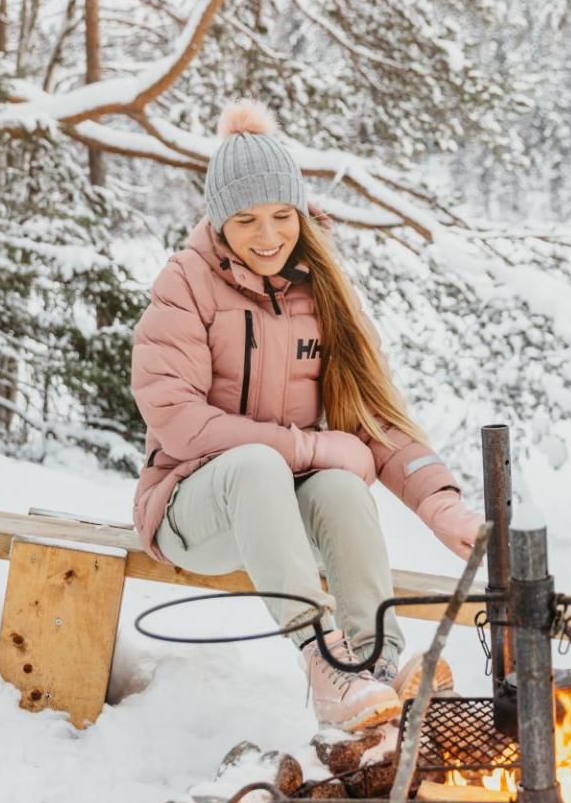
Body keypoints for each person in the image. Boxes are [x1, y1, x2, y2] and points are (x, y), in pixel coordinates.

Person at [129, 101, 484, 730]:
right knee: (263, 465)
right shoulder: (184, 283)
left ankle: (377, 660)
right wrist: (310, 448)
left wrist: (440, 504)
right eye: (246, 221)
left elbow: (372, 413)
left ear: (298, 213)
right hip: (190, 510)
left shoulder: (321, 289)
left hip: (283, 515)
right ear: (218, 221)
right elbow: (178, 421)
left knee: (343, 485)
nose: (267, 237)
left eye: (281, 217)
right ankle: (326, 666)